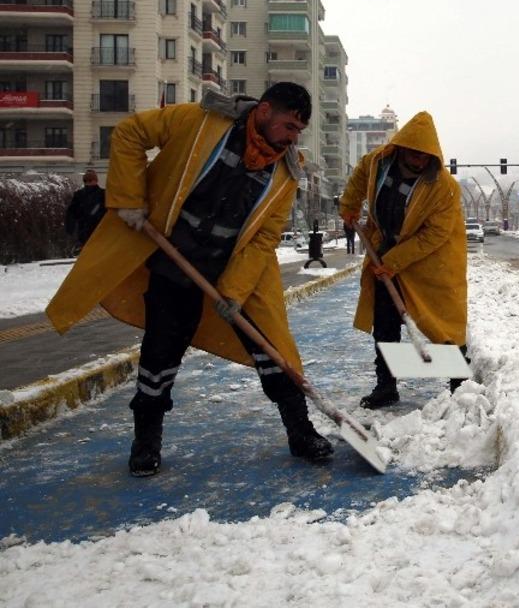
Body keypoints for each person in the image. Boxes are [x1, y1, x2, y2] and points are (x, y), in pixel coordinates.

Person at [46, 83, 332, 477]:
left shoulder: (286, 170)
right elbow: (131, 132)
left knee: (275, 350)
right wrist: (129, 198)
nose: (293, 138)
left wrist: (234, 291)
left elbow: (265, 237)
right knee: (160, 352)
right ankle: (146, 441)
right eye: (289, 126)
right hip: (174, 259)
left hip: (239, 266)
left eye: (299, 131)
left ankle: (300, 431)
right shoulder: (200, 123)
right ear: (265, 111)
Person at [339, 111, 468, 408]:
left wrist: (394, 261)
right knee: (385, 323)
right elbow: (358, 179)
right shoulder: (377, 163)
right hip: (385, 248)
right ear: (401, 147)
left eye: (425, 156)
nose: (419, 161)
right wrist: (349, 204)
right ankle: (386, 386)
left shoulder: (444, 187)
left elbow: (434, 234)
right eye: (414, 153)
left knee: (444, 322)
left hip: (431, 260)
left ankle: (460, 385)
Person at [63, 169, 105, 252]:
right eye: (88, 180)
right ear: (96, 180)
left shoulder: (79, 194)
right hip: (100, 229)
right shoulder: (103, 194)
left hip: (84, 231)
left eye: (89, 180)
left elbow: (72, 212)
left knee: (87, 253)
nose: (89, 182)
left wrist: (70, 230)